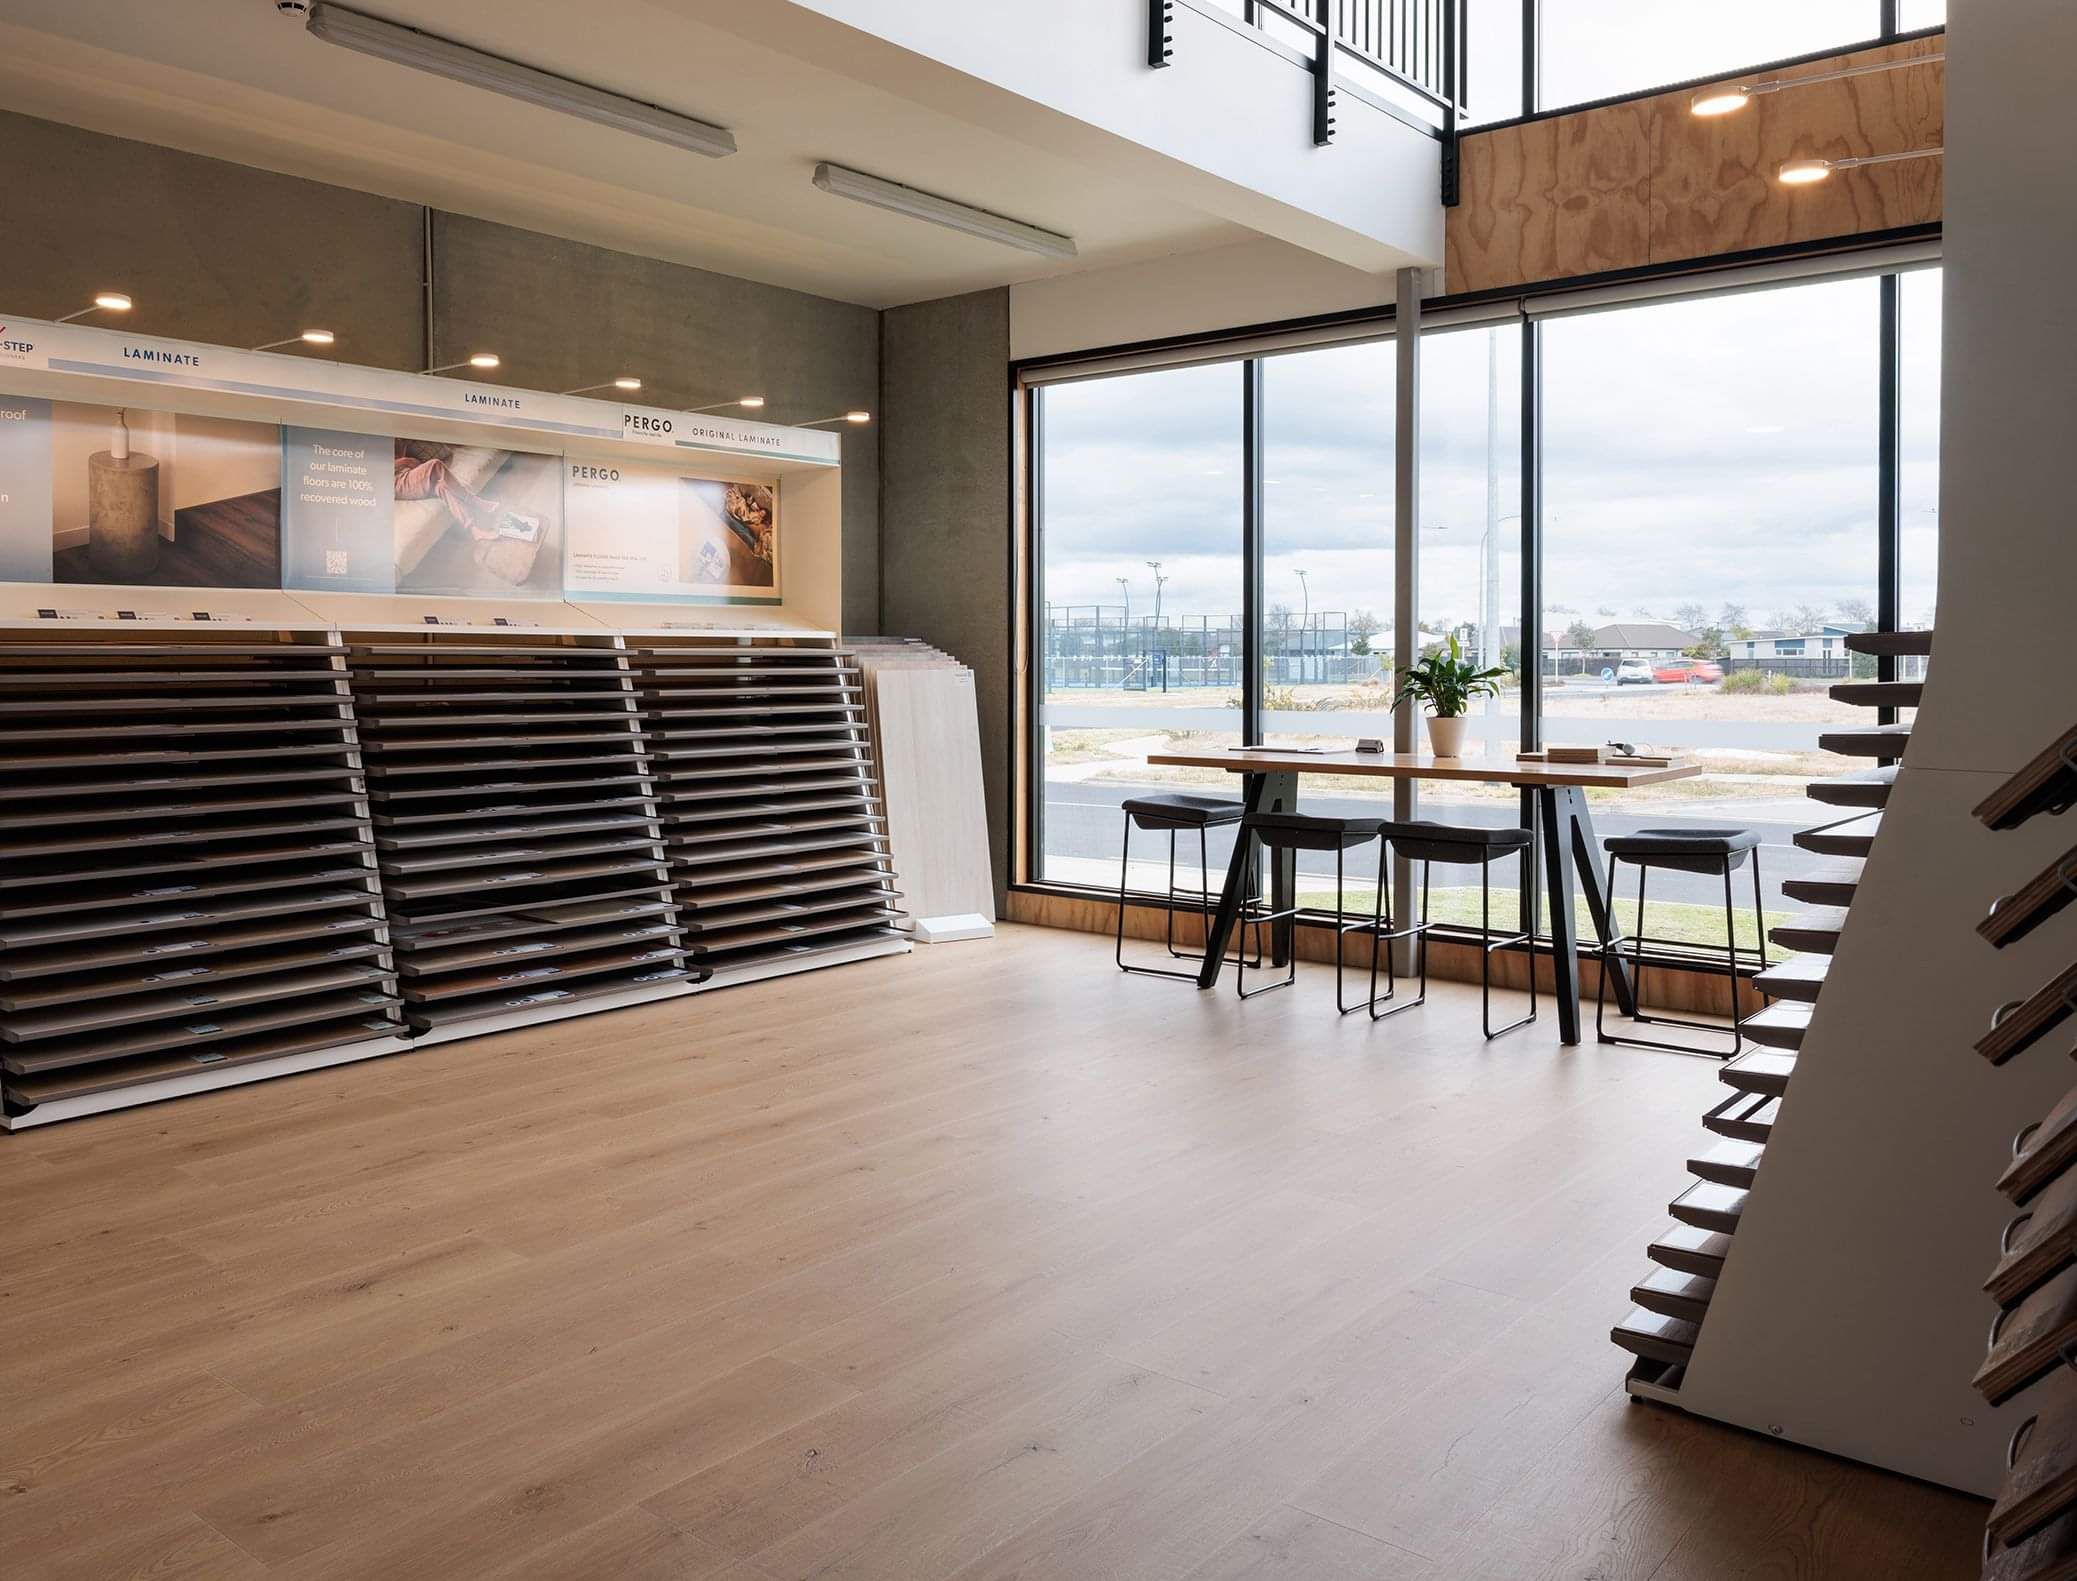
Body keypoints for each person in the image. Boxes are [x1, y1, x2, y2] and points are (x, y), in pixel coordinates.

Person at [392, 450, 541, 543]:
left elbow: (413, 460)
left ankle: (475, 530)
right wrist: (404, 461)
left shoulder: (399, 434)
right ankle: (476, 502)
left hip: (408, 473)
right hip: (394, 480)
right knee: (434, 465)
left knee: (443, 487)